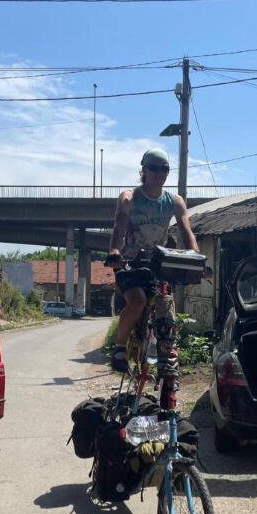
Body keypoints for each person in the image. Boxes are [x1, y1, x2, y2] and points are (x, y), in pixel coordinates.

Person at [104, 148, 199, 373]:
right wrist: (115, 251)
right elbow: (119, 225)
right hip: (130, 262)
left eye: (164, 169)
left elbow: (187, 233)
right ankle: (119, 349)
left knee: (165, 303)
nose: (160, 173)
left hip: (157, 263)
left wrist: (197, 258)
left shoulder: (175, 201)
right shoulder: (130, 198)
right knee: (137, 301)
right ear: (144, 170)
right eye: (154, 168)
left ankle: (166, 351)